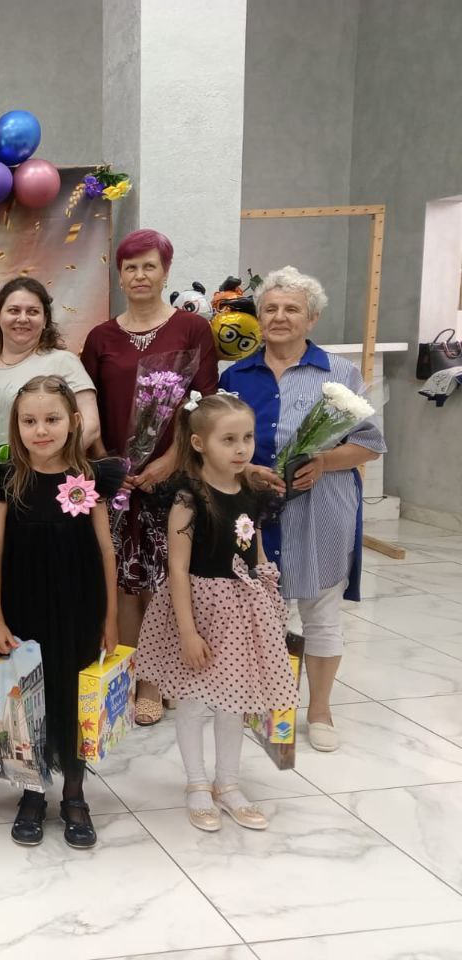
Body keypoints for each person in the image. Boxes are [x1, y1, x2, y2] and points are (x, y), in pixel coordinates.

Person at [219, 266, 385, 753]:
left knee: (321, 613)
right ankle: (268, 701)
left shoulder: (339, 373)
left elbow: (371, 444)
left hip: (321, 508)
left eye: (291, 309)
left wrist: (325, 461)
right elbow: (213, 442)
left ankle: (319, 710)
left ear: (311, 319)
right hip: (253, 511)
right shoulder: (235, 375)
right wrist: (245, 469)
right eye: (270, 308)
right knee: (260, 611)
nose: (279, 316)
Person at [134, 391, 298, 832]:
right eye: (229, 440)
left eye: (247, 438)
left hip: (242, 614)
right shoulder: (189, 498)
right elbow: (178, 567)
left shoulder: (251, 492)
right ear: (199, 443)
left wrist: (270, 602)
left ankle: (228, 784)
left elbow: (256, 551)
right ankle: (196, 783)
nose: (241, 448)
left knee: (234, 703)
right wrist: (188, 633)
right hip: (199, 611)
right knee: (192, 702)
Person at [80, 229, 218, 725]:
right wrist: (108, 465)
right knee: (123, 580)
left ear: (165, 272)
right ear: (119, 275)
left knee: (168, 578)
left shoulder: (192, 329)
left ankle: (166, 676)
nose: (140, 275)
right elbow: (87, 409)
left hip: (175, 476)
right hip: (118, 480)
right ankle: (138, 679)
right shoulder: (100, 337)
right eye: (130, 267)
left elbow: (205, 403)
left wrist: (172, 459)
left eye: (149, 266)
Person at [0, 376, 120, 850]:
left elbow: (106, 549)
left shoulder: (90, 478)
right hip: (24, 606)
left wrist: (111, 618)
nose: (41, 430)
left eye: (52, 419)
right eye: (30, 421)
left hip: (80, 604)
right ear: (16, 426)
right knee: (29, 699)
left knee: (73, 696)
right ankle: (33, 791)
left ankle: (75, 793)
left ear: (74, 422)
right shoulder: (5, 481)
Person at [0, 277, 100, 467]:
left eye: (33, 311)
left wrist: (45, 470)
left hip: (31, 482)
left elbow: (90, 427)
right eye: (14, 310)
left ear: (45, 320)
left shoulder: (64, 363)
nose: (23, 318)